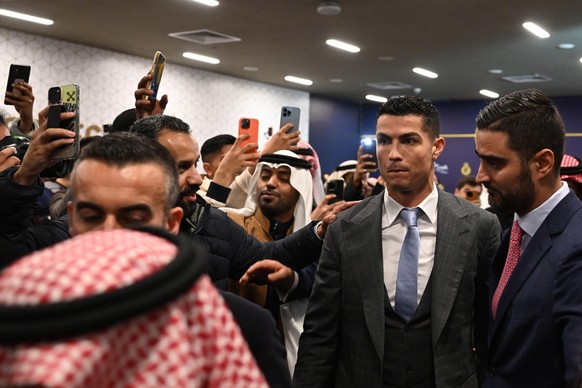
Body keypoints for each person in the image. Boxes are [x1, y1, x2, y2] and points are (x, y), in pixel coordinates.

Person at [294, 95, 501, 387]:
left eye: (408, 140)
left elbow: (488, 332)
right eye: (384, 141)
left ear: (437, 147)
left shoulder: (479, 226)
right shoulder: (345, 229)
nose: (393, 154)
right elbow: (320, 333)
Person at [0, 227, 267, 387]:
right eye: (93, 215)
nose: (112, 234)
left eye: (134, 218)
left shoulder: (232, 318)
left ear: (171, 221)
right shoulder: (32, 308)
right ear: (71, 218)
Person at [474, 88, 582, 387]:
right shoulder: (514, 233)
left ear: (543, 163)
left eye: (495, 163)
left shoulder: (577, 244)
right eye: (480, 160)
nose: (480, 176)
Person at [225, 150, 317, 375]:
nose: (270, 183)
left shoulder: (313, 236)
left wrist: (289, 279)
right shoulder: (234, 224)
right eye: (265, 176)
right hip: (239, 349)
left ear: (300, 188)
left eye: (284, 178)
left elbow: (316, 279)